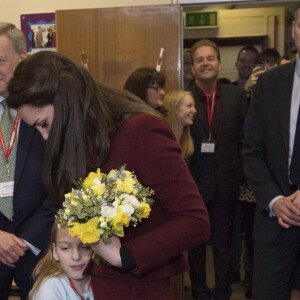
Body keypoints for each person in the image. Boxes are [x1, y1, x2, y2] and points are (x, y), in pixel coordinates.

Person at [6, 50, 210, 300]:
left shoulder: (139, 131)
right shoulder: (78, 142)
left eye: (44, 124)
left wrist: (125, 255)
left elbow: (194, 221)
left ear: (66, 101)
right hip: (91, 284)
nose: (45, 137)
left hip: (136, 288)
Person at [243, 6, 300, 300]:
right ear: (294, 30)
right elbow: (251, 151)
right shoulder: (269, 83)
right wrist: (276, 201)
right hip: (273, 222)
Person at [186, 39, 248, 300]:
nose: (205, 63)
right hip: (193, 185)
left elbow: (245, 139)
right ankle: (199, 292)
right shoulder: (184, 97)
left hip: (227, 182)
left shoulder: (236, 96)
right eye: (199, 60)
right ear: (192, 67)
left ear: (219, 63)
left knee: (224, 245)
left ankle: (222, 292)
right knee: (195, 246)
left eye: (210, 58)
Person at [0, 23, 57, 299]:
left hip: (38, 249)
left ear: (23, 58)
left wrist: (26, 240)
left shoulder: (48, 107)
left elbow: (61, 181)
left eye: (0, 61)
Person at [230, 45, 259, 293]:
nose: (246, 64)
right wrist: (244, 90)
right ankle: (231, 270)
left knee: (251, 230)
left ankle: (251, 274)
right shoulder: (229, 89)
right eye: (243, 60)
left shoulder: (265, 89)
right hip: (231, 173)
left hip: (253, 178)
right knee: (230, 227)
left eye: (252, 60)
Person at [29, 222, 94, 300]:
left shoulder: (105, 280)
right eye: (65, 248)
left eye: (85, 247)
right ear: (55, 251)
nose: (76, 256)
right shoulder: (49, 289)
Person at [163, 90, 196, 162]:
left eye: (194, 106)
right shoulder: (161, 141)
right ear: (174, 109)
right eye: (189, 106)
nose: (194, 110)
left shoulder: (186, 141)